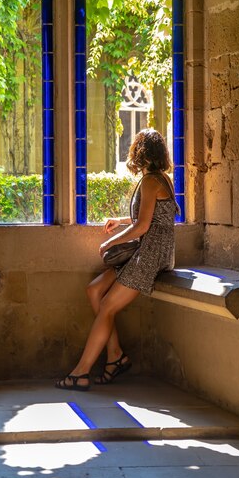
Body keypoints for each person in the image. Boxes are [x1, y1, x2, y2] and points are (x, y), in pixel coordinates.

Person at [55, 128, 180, 391]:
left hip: (149, 255)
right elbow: (150, 217)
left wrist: (111, 241)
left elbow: (143, 226)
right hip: (149, 251)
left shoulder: (150, 181)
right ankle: (115, 357)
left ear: (140, 152)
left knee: (108, 307)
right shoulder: (161, 179)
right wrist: (120, 220)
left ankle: (81, 372)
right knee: (95, 290)